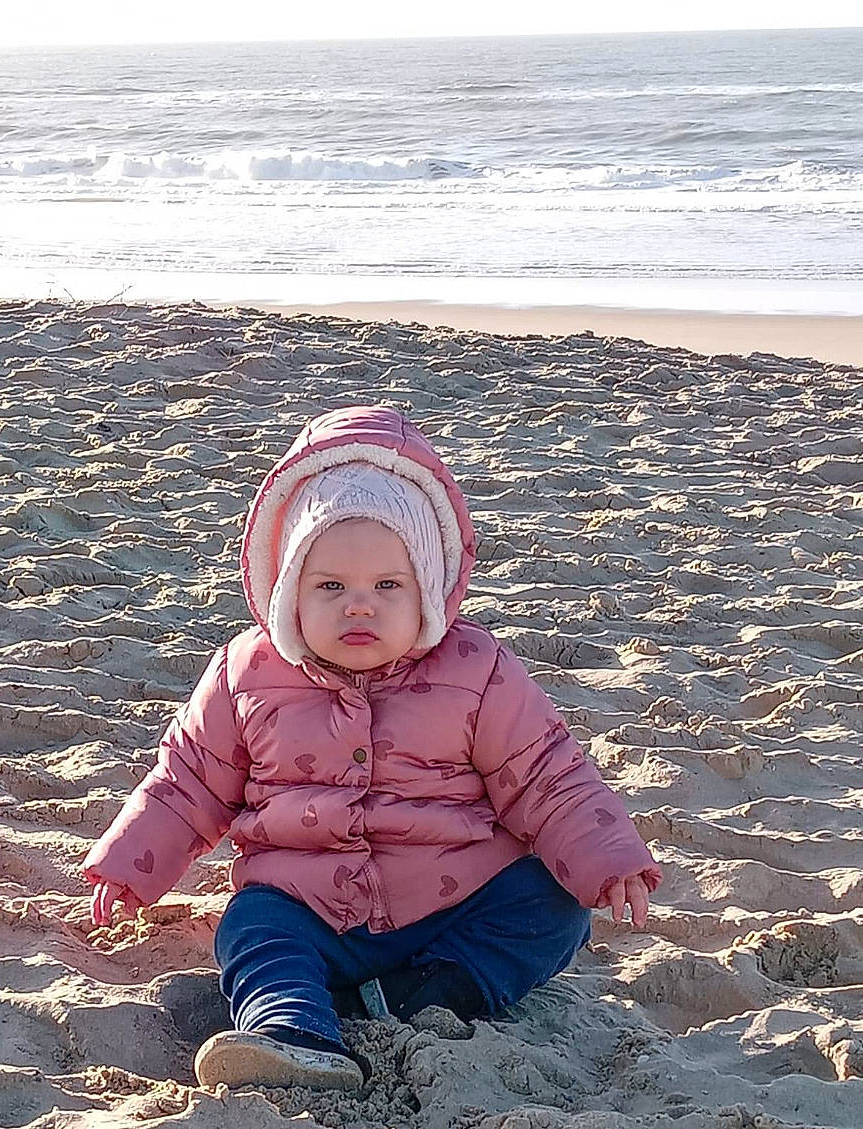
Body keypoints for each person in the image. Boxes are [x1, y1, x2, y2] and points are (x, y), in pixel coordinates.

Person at [83, 405, 662, 1092]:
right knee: (251, 927)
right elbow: (186, 781)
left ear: (427, 590)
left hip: (453, 899)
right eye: (330, 586)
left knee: (555, 907)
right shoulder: (247, 672)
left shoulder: (476, 668)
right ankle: (287, 1030)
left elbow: (545, 773)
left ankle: (424, 994)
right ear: (287, 591)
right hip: (307, 901)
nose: (359, 605)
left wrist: (609, 858)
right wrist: (129, 864)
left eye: (387, 586)